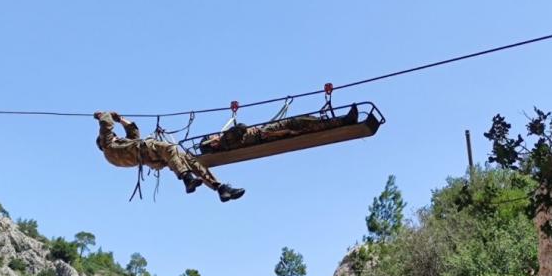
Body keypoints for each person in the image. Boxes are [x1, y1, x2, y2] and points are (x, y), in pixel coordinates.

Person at [95, 111, 245, 202]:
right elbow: (106, 126)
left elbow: (133, 133)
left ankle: (219, 188)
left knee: (187, 159)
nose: (116, 137)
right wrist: (104, 115)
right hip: (146, 150)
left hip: (151, 159)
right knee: (171, 148)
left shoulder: (117, 150)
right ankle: (187, 179)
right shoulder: (108, 147)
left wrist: (120, 119)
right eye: (114, 136)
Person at [200, 103, 359, 153]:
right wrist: (223, 135)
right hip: (266, 133)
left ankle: (342, 121)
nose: (214, 135)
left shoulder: (226, 144)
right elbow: (241, 127)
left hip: (265, 134)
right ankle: (344, 121)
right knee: (299, 123)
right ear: (212, 143)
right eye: (212, 137)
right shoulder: (225, 140)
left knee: (305, 125)